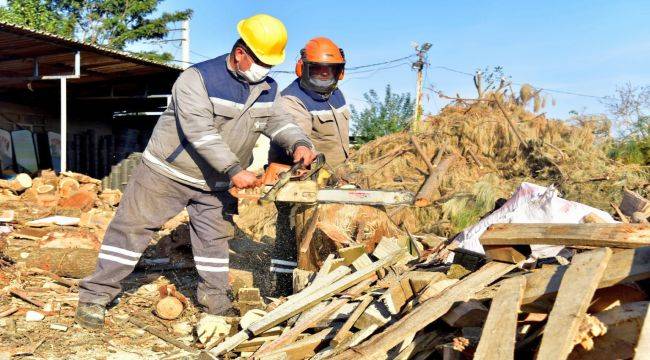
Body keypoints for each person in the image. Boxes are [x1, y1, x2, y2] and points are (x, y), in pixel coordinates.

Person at [75, 14, 317, 329]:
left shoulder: (268, 90)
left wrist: (299, 142)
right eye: (260, 61)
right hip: (166, 172)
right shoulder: (198, 79)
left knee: (214, 243)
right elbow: (199, 132)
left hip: (214, 182)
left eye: (270, 64)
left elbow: (280, 122)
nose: (265, 69)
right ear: (241, 52)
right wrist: (234, 169)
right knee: (130, 230)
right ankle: (95, 297)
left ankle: (216, 304)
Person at [267, 37, 350, 296]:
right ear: (303, 68)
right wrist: (306, 163)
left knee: (324, 234)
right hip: (298, 177)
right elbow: (300, 138)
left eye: (330, 69)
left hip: (333, 176)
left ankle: (323, 284)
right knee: (292, 234)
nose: (324, 75)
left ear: (339, 71)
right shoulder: (292, 100)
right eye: (317, 69)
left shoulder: (337, 95)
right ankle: (282, 291)